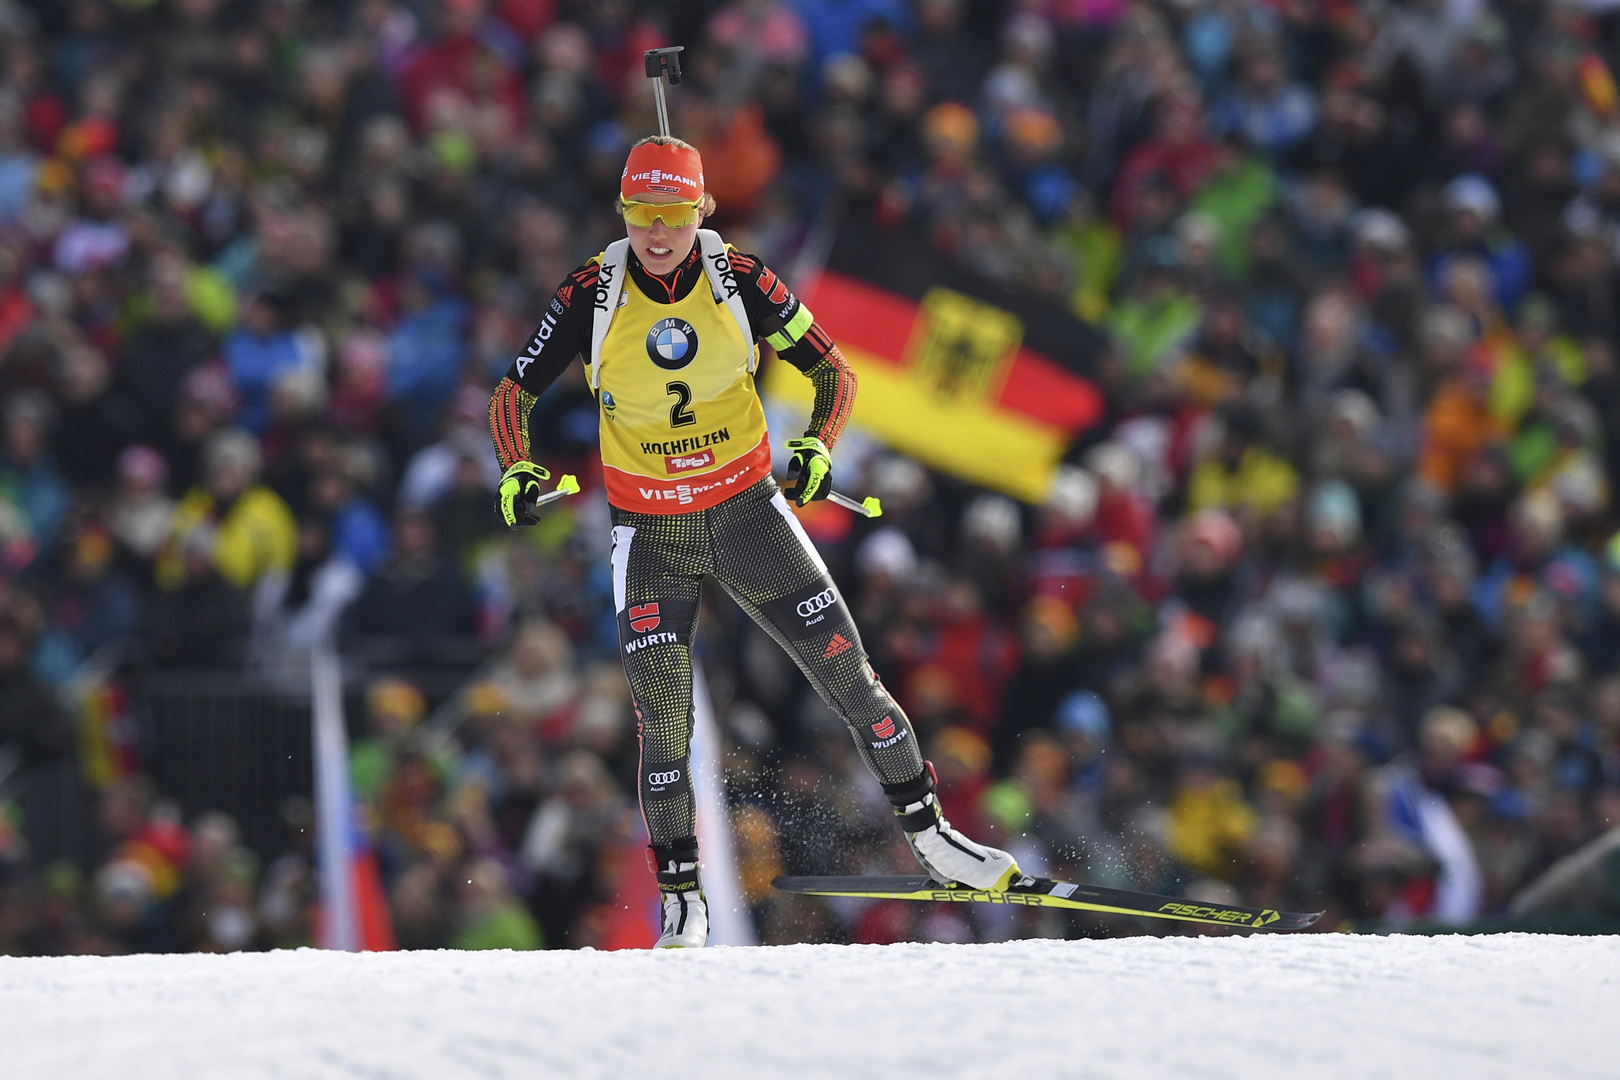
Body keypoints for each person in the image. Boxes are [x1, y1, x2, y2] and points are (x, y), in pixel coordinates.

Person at [488, 135, 1018, 947]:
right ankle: (683, 898)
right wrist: (517, 468)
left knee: (852, 681)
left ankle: (932, 838)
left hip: (747, 517)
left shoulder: (744, 279)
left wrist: (814, 448)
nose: (656, 233)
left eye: (671, 215)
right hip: (651, 529)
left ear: (700, 209)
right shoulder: (591, 292)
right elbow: (513, 394)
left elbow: (833, 372)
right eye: (640, 216)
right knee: (664, 722)